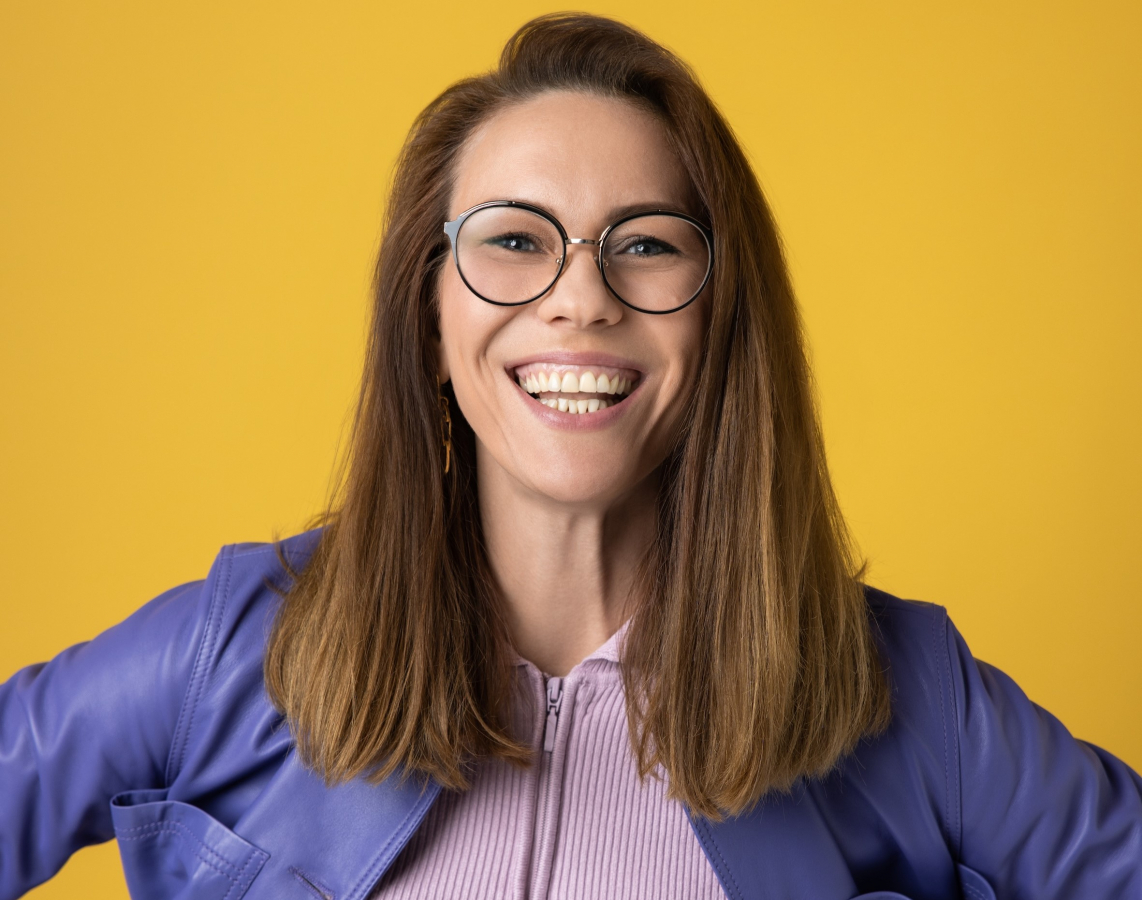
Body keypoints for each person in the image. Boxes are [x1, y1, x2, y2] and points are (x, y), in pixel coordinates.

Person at [1, 13, 1139, 900]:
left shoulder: (905, 695)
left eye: (645, 244)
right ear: (429, 322)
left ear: (720, 327)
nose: (580, 298)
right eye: (513, 239)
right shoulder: (227, 655)